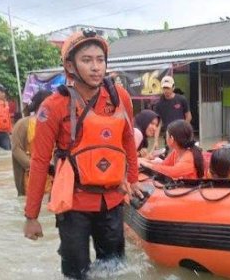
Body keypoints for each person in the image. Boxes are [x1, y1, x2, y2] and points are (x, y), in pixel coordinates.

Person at [23, 28, 143, 279]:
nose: (96, 67)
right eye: (87, 60)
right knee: (75, 273)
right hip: (73, 205)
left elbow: (128, 140)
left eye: (100, 60)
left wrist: (133, 180)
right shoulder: (53, 106)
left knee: (116, 271)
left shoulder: (119, 96)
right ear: (70, 65)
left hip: (111, 201)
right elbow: (40, 161)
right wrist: (31, 216)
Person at [11, 89, 52, 196]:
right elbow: (16, 149)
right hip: (30, 175)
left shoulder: (55, 123)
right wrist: (36, 167)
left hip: (52, 176)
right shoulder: (23, 124)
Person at [139, 119, 204, 180]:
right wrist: (143, 161)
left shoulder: (189, 156)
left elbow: (173, 172)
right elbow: (163, 165)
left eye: (166, 136)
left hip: (192, 189)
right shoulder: (176, 152)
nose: (165, 138)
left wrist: (148, 165)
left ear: (171, 139)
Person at [153, 75, 191, 149]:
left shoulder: (181, 99)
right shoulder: (159, 104)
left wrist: (184, 131)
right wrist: (156, 141)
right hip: (168, 136)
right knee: (170, 157)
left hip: (182, 135)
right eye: (164, 88)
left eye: (168, 88)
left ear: (173, 87)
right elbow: (158, 124)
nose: (166, 90)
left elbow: (188, 117)